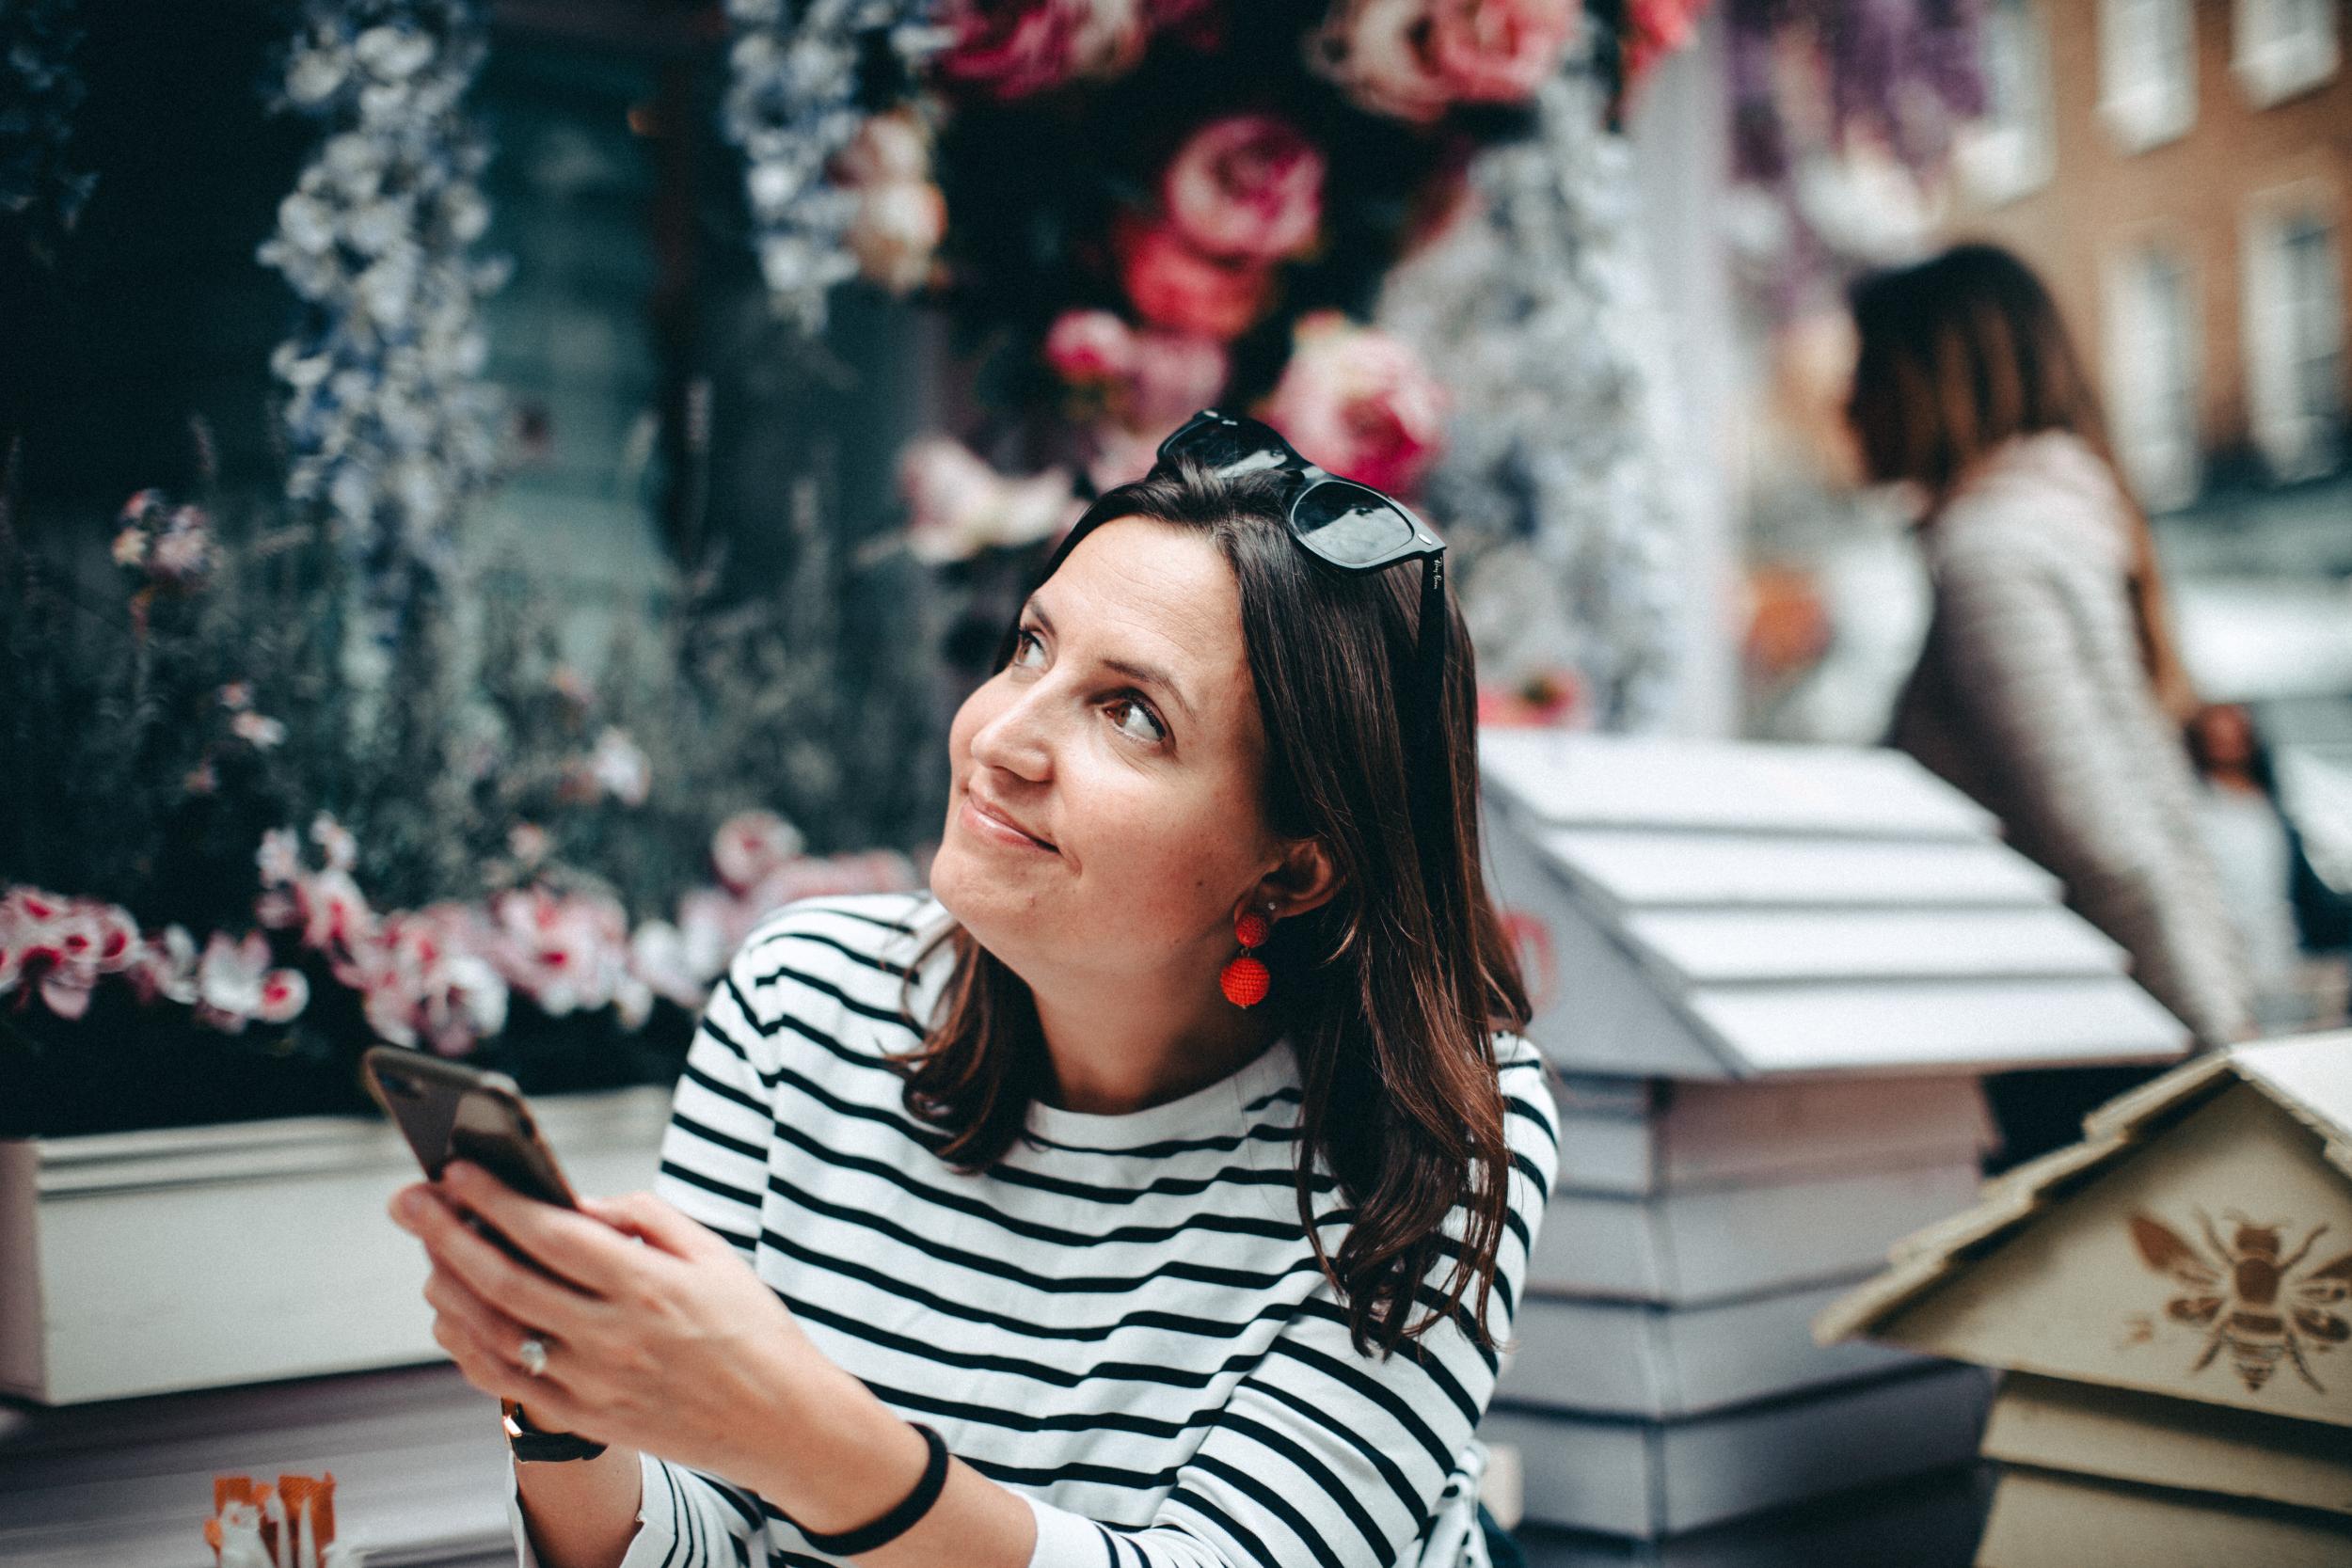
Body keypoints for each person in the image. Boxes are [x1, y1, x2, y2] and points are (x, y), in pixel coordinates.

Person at [387, 410, 1560, 1568]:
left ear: (1296, 864)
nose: (1001, 735)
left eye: (1132, 713)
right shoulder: (804, 1005)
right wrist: (560, 1394)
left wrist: (802, 1431)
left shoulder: (1436, 1124)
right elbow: (709, 1543)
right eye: (1031, 647)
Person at [1844, 244, 2256, 1163]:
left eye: (1867, 368)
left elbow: (2105, 837)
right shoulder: (2062, 528)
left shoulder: (1993, 557)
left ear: (1930, 377)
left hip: (2087, 1057)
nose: (1846, 401)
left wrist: (2216, 1065)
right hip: (2120, 1033)